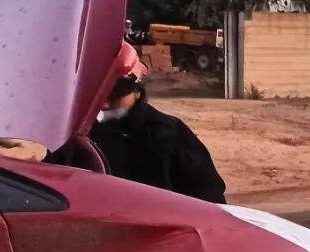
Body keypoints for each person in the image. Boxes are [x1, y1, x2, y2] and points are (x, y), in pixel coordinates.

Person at [89, 42, 227, 203]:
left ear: (137, 92)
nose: (104, 104)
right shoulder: (77, 135)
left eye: (114, 97)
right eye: (98, 95)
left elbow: (209, 194)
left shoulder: (168, 134)